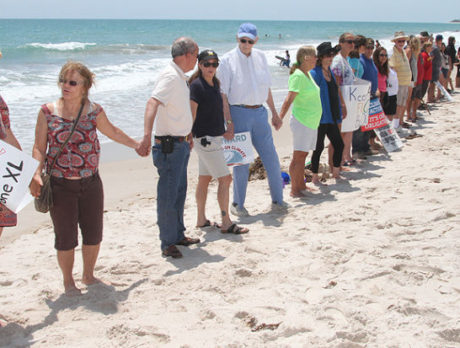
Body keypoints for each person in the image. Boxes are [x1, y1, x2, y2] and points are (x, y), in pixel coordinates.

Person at [29, 61, 140, 295]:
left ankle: (88, 275)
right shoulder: (47, 112)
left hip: (90, 182)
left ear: (85, 86)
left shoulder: (94, 111)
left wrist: (136, 145)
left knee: (93, 231)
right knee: (65, 236)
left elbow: (113, 131)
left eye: (72, 82)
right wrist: (36, 173)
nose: (65, 85)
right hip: (60, 185)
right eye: (62, 80)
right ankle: (68, 281)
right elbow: (39, 147)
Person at [137, 37, 200, 259]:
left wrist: (188, 133)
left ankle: (177, 234)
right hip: (168, 146)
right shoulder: (170, 76)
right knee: (168, 194)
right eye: (196, 54)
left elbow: (177, 109)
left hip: (180, 143)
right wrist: (146, 135)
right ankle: (167, 242)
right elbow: (152, 102)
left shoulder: (179, 77)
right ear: (186, 55)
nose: (197, 60)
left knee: (179, 192)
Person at [217, 23, 286, 216]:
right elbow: (223, 94)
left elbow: (267, 88)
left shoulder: (261, 57)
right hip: (238, 113)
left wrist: (275, 113)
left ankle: (278, 200)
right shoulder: (227, 60)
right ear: (237, 38)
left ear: (256, 40)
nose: (246, 44)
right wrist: (228, 122)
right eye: (242, 40)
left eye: (249, 41)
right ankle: (238, 204)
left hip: (260, 113)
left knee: (271, 158)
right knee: (242, 162)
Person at [189, 50, 248, 234]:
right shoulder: (196, 86)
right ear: (200, 65)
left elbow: (221, 105)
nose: (211, 67)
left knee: (204, 179)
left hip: (214, 138)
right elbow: (192, 113)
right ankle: (226, 221)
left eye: (214, 64)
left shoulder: (215, 83)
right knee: (225, 178)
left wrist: (228, 124)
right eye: (207, 64)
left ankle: (201, 220)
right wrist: (188, 136)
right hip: (205, 140)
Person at [278, 46, 322, 196]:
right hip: (302, 121)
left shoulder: (307, 75)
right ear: (306, 58)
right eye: (314, 56)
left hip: (310, 122)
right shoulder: (297, 75)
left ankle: (301, 185)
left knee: (303, 155)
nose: (317, 59)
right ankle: (294, 189)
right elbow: (289, 99)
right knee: (298, 156)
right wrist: (279, 118)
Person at [310, 42, 345, 184]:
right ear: (321, 57)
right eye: (328, 55)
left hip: (331, 115)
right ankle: (314, 176)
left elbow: (335, 91)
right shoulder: (314, 73)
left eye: (332, 55)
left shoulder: (329, 71)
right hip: (320, 117)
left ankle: (335, 172)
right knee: (317, 148)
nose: (331, 58)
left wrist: (342, 106)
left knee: (339, 144)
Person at [353, 38, 379, 157]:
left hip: (371, 95)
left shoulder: (371, 60)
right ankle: (358, 150)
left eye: (371, 48)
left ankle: (365, 147)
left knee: (367, 124)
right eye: (367, 47)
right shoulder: (360, 60)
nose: (369, 50)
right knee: (360, 125)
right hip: (362, 95)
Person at [331, 33, 353, 165]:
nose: (351, 44)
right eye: (348, 41)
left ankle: (342, 159)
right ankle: (336, 163)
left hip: (348, 100)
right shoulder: (338, 61)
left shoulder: (346, 60)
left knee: (345, 133)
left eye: (353, 42)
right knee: (338, 135)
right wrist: (342, 104)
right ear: (341, 43)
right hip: (341, 102)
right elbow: (336, 84)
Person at [389, 31, 411, 133]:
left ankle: (397, 125)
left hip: (405, 83)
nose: (401, 43)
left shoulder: (402, 52)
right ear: (395, 41)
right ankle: (394, 126)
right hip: (398, 84)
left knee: (402, 105)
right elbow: (391, 68)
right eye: (399, 41)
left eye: (403, 41)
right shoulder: (393, 53)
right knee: (397, 106)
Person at [405, 35, 421, 122]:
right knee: (408, 98)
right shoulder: (409, 51)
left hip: (412, 78)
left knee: (410, 98)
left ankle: (409, 115)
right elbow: (406, 65)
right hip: (409, 78)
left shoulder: (415, 53)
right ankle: (407, 115)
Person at [427, 35, 444, 102]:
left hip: (435, 67)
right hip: (434, 68)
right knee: (432, 84)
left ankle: (431, 97)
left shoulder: (435, 47)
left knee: (433, 83)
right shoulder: (435, 48)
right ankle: (430, 98)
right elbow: (431, 57)